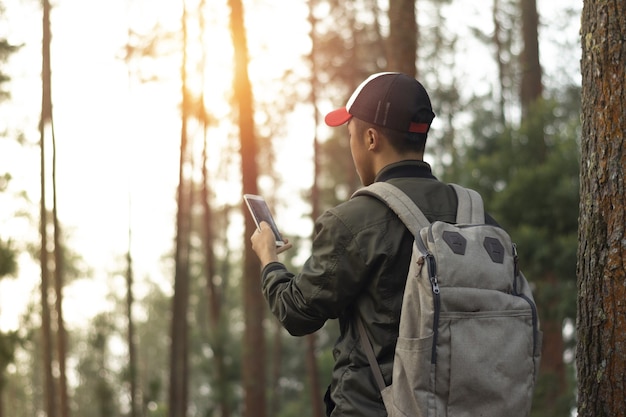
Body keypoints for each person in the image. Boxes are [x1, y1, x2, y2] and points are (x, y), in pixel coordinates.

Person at [250, 72, 495, 416]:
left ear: (370, 138)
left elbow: (297, 312)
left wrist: (269, 260)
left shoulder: (355, 220)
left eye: (349, 134)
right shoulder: (476, 214)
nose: (350, 145)